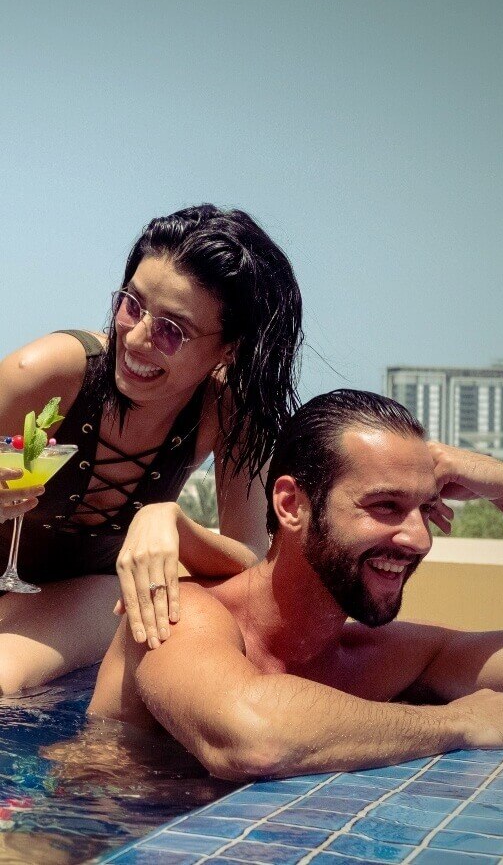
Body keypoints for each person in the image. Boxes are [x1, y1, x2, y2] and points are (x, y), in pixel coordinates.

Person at [89, 389, 503, 779]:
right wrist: (452, 723)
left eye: (424, 508)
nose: (418, 538)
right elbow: (251, 737)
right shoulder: (175, 608)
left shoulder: (386, 657)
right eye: (385, 506)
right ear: (291, 505)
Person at [0, 204, 303, 694]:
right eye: (132, 305)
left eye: (172, 329)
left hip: (86, 601)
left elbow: (252, 562)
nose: (138, 338)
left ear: (229, 348)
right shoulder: (43, 373)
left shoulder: (229, 413)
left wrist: (174, 523)